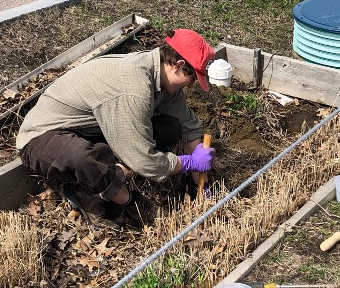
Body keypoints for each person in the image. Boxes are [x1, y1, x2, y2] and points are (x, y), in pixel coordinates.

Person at [16, 30, 216, 220]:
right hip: (43, 138)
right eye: (192, 78)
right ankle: (115, 198)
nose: (191, 85)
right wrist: (187, 163)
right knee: (83, 158)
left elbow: (188, 125)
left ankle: (107, 176)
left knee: (170, 127)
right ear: (178, 65)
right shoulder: (134, 89)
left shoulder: (163, 79)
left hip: (90, 130)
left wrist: (199, 180)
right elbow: (144, 162)